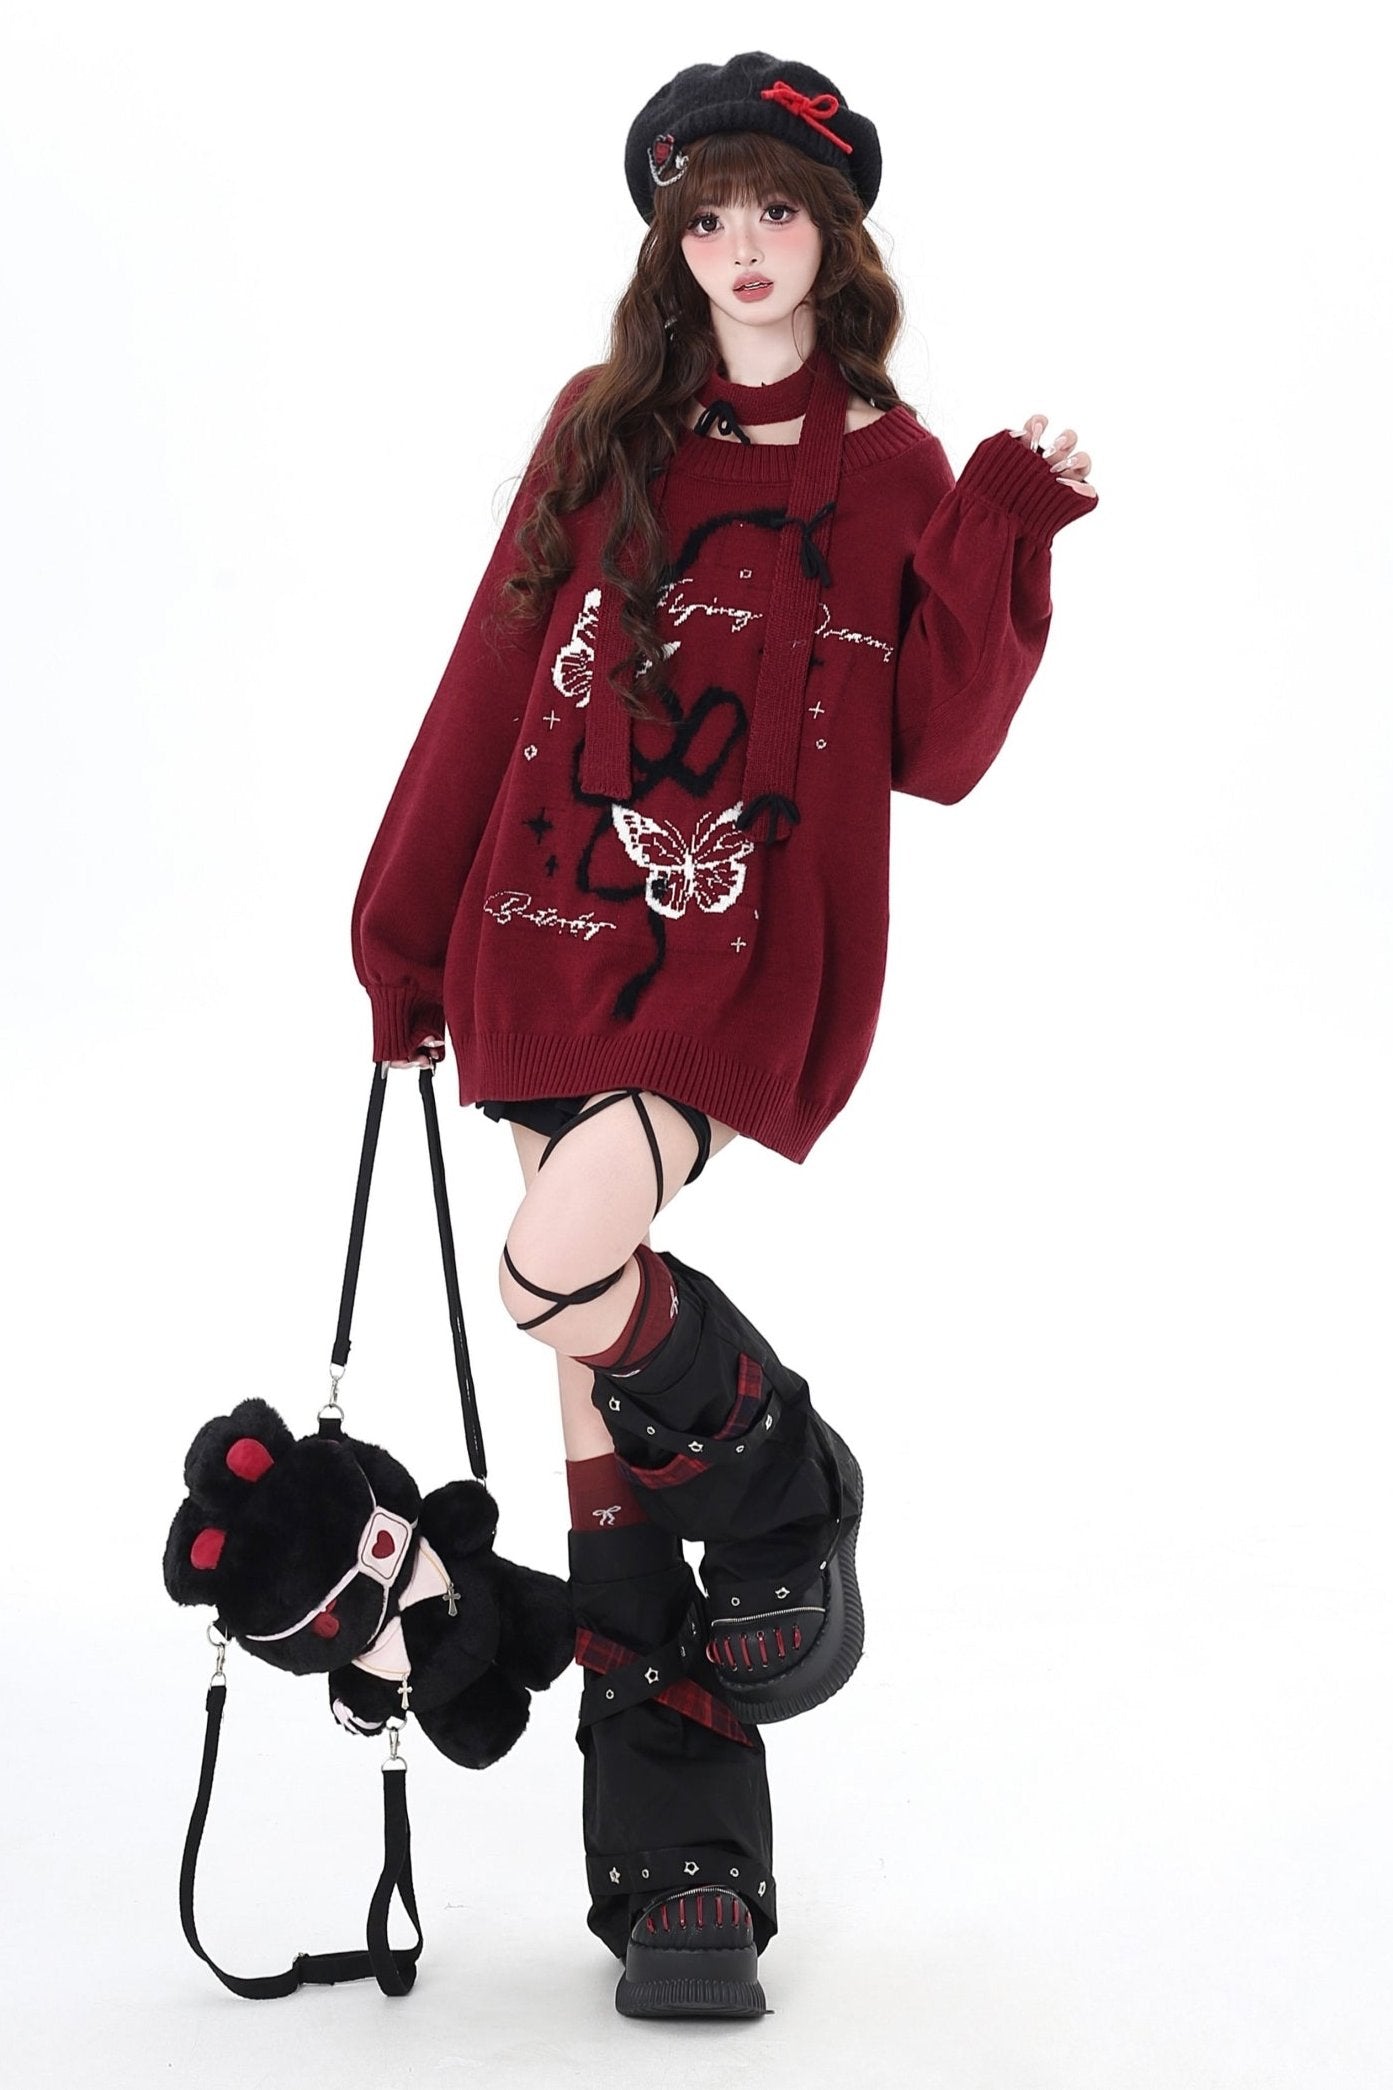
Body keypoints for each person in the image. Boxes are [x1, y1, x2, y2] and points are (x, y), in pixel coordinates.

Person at [351, 50, 1100, 2021]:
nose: (743, 248)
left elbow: (936, 749)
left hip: (729, 963)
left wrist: (1004, 529)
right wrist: (399, 930)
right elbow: (489, 672)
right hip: (535, 926)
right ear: (669, 241)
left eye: (776, 211)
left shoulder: (890, 467)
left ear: (833, 234)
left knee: (554, 1269)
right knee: (586, 1427)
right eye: (707, 217)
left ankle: (782, 1488)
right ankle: (680, 1863)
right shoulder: (601, 426)